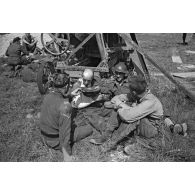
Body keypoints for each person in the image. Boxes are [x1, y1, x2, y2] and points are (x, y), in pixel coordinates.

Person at [90, 75, 187, 145]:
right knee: (125, 109)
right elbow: (118, 97)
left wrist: (119, 105)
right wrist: (120, 103)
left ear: (134, 92)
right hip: (151, 121)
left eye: (130, 91)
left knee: (125, 113)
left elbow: (128, 116)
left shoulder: (150, 101)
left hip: (154, 129)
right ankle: (108, 135)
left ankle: (111, 138)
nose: (129, 93)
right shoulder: (141, 94)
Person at [39, 73, 93, 161]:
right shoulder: (65, 106)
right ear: (67, 85)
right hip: (55, 141)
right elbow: (65, 135)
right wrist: (68, 156)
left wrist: (70, 95)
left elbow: (59, 96)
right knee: (89, 129)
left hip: (44, 137)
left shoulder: (48, 96)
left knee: (71, 122)